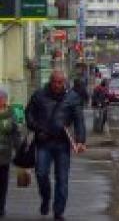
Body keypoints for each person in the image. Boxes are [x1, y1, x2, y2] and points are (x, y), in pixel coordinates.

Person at [26, 70, 87, 220]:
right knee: (41, 174)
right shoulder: (39, 95)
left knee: (62, 178)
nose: (58, 85)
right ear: (50, 81)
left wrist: (80, 140)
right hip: (44, 142)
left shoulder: (72, 98)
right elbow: (29, 114)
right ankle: (45, 199)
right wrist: (36, 127)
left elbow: (79, 120)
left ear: (65, 82)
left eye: (61, 82)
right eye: (55, 82)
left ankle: (58, 211)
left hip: (62, 143)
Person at [0, 87, 24, 217]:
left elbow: (16, 134)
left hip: (4, 155)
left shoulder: (10, 114)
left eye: (2, 98)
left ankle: (1, 207)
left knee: (3, 183)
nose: (2, 100)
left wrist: (20, 150)